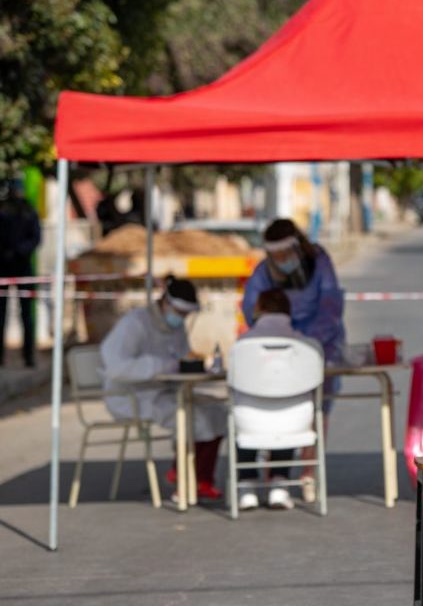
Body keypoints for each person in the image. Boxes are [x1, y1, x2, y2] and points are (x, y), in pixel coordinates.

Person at [242, 219, 344, 502]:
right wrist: (282, 335)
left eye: (285, 256)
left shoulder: (320, 263)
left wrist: (307, 342)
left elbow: (331, 305)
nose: (280, 262)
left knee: (317, 409)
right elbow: (252, 308)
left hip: (320, 345)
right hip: (280, 346)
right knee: (277, 403)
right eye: (275, 257)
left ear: (297, 248)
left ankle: (308, 472)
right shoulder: (263, 273)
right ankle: (274, 475)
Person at [100, 277, 228, 500]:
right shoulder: (135, 323)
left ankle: (202, 479)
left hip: (166, 391)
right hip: (131, 395)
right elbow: (115, 366)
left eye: (185, 314)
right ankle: (184, 481)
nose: (181, 319)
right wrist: (157, 365)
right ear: (165, 302)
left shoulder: (176, 328)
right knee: (195, 419)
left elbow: (181, 358)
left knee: (217, 411)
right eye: (179, 312)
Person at [234, 288, 314, 511]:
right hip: (295, 422)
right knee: (284, 406)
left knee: (242, 413)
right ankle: (280, 486)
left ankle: (246, 487)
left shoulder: (242, 345)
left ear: (258, 309)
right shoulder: (306, 346)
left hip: (248, 421)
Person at [0, 178, 41, 368]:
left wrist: (19, 250)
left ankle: (28, 356)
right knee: (1, 315)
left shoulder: (29, 211)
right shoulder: (3, 211)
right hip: (4, 267)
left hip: (23, 267)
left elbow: (36, 238)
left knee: (27, 315)